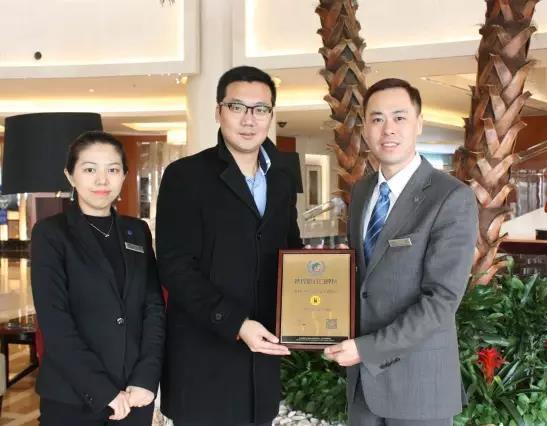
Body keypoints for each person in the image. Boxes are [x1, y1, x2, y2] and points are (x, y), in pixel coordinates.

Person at [324, 78, 478, 426]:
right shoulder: (361, 192)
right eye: (377, 119)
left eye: (399, 117)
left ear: (419, 123)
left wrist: (367, 349)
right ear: (365, 128)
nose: (388, 129)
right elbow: (363, 281)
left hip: (419, 385)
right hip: (363, 386)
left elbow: (441, 300)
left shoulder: (450, 197)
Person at [155, 65, 302, 426]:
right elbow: (175, 266)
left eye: (260, 109)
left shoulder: (282, 178)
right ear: (218, 111)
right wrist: (237, 323)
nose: (249, 120)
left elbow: (291, 251)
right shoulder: (185, 176)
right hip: (204, 359)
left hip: (263, 357)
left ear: (271, 115)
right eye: (237, 107)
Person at [31, 131, 165, 425]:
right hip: (73, 396)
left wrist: (146, 377)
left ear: (124, 175)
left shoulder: (137, 231)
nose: (102, 180)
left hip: (134, 394)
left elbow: (153, 307)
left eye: (113, 170)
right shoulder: (51, 233)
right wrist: (103, 391)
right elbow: (55, 322)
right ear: (70, 175)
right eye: (90, 169)